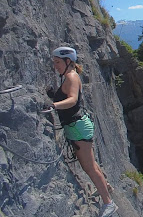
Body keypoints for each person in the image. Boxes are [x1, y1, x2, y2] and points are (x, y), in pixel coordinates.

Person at [46, 46, 118, 217]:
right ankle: (105, 187)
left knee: (89, 168)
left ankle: (108, 203)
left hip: (77, 128)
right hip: (78, 126)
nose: (55, 65)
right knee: (91, 164)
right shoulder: (70, 76)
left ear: (67, 61)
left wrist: (53, 105)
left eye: (57, 62)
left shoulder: (70, 77)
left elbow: (72, 100)